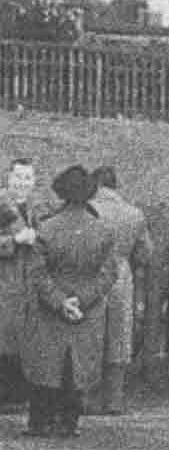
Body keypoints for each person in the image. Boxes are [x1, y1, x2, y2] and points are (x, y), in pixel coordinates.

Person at [20, 165, 117, 438]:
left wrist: (60, 301)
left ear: (61, 192)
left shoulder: (47, 229)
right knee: (76, 367)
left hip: (50, 310)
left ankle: (40, 422)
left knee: (46, 364)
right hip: (86, 310)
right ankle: (69, 422)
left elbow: (36, 273)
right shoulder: (103, 230)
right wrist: (82, 301)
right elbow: (109, 273)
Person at [87, 166, 152, 416]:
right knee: (118, 336)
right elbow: (145, 253)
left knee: (91, 332)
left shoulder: (88, 210)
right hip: (121, 276)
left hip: (91, 274)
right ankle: (114, 400)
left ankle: (88, 399)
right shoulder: (134, 214)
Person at [0, 160, 42, 410]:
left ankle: (16, 395)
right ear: (8, 178)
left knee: (20, 339)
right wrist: (13, 240)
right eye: (18, 177)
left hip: (26, 285)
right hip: (4, 281)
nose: (22, 183)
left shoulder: (35, 208)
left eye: (27, 178)